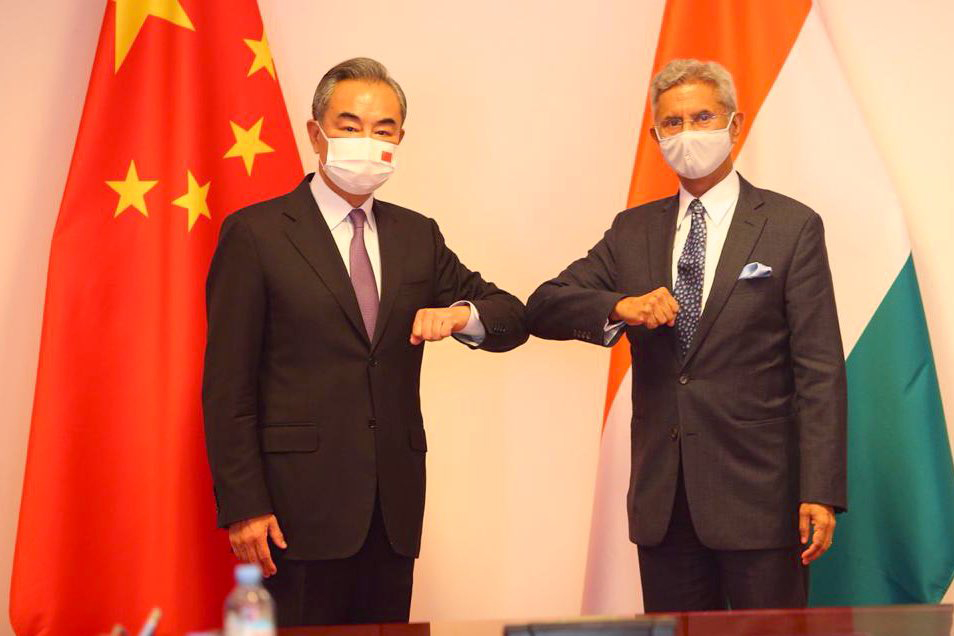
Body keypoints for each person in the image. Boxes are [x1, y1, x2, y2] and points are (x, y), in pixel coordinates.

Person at [203, 57, 527, 626]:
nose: (367, 141)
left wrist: (460, 315)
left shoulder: (416, 234)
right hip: (294, 514)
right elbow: (228, 386)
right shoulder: (257, 234)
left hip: (392, 511)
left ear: (400, 140)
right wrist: (244, 506)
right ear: (316, 134)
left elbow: (511, 317)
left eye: (383, 129)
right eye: (350, 126)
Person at [526, 58, 846, 612]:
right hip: (665, 502)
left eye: (702, 117)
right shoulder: (633, 230)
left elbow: (819, 369)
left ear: (734, 124)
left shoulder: (791, 226)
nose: (687, 133)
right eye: (672, 123)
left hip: (762, 500)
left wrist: (820, 490)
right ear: (656, 137)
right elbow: (544, 305)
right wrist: (619, 306)